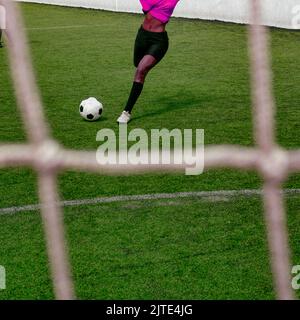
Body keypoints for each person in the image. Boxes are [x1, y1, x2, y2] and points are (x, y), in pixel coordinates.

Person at [117, 0, 180, 124]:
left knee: (141, 70)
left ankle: (126, 112)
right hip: (142, 35)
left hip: (159, 41)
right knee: (137, 63)